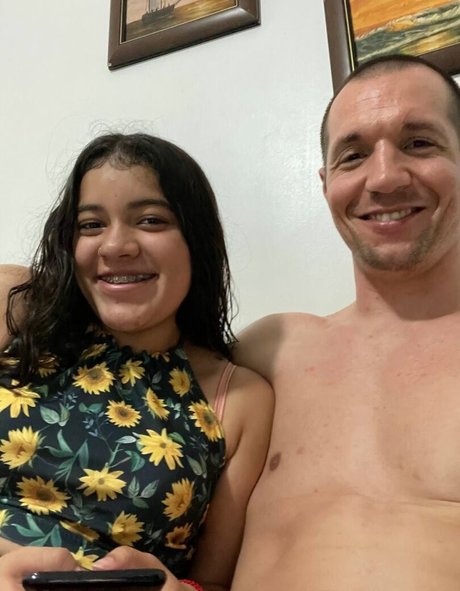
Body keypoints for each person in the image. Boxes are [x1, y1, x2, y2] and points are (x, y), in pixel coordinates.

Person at [0, 133, 273, 591]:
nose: (115, 246)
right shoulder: (16, 310)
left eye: (150, 220)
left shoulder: (239, 399)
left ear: (197, 239)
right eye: (91, 225)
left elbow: (215, 580)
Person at [228, 54, 460, 591]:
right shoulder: (269, 351)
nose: (384, 177)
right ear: (326, 183)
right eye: (353, 156)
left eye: (419, 143)